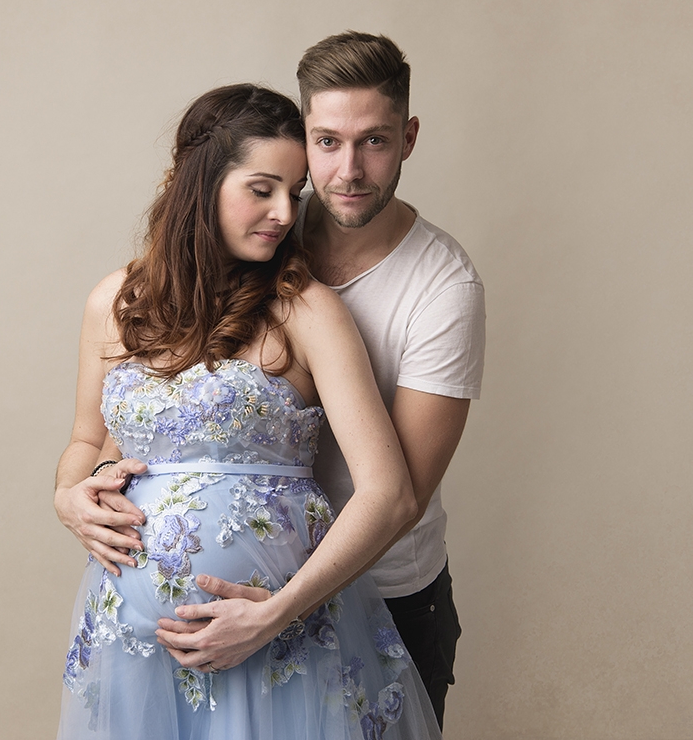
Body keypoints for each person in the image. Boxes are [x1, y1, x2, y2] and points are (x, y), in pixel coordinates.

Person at [55, 83, 443, 739]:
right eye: (261, 189)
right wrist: (68, 494)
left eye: (294, 193)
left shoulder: (305, 309)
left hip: (282, 642)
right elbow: (85, 439)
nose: (283, 213)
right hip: (133, 642)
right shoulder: (114, 300)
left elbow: (390, 491)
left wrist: (275, 614)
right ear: (195, 182)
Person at [154, 33, 486, 726]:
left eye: (375, 142)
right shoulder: (264, 226)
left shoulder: (442, 288)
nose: (348, 170)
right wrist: (86, 476)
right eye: (327, 142)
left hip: (383, 598)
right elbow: (176, 385)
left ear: (409, 138)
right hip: (246, 598)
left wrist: (274, 612)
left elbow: (398, 501)